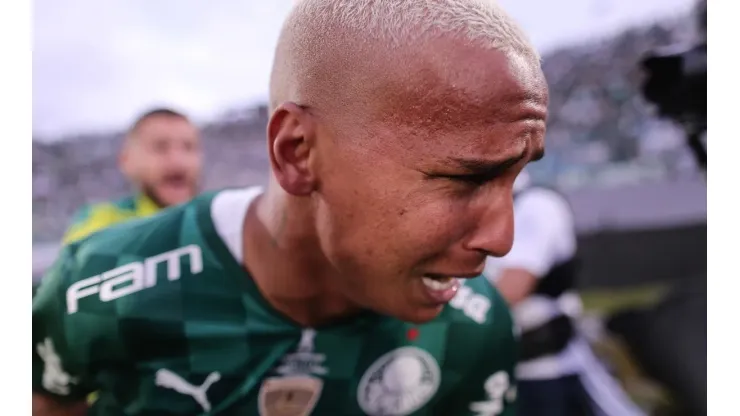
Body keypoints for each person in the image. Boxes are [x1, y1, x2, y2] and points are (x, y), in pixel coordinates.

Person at [32, 0, 548, 414]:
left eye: (512, 178)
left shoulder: (475, 328)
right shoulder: (99, 288)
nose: (502, 238)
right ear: (297, 153)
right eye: (463, 179)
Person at [484, 170, 645, 416]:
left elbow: (510, 291)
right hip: (492, 374)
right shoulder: (465, 211)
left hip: (548, 372)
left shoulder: (536, 206)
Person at [61, 107, 202, 245]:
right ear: (126, 161)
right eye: (160, 147)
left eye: (188, 147)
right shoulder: (101, 222)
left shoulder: (214, 218)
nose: (178, 161)